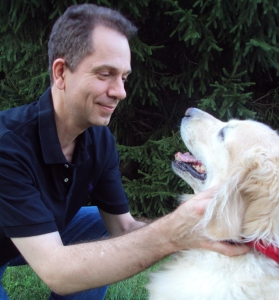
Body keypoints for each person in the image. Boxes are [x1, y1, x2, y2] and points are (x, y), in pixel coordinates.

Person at [0, 4, 249, 300]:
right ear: (60, 73)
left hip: (34, 236)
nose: (120, 91)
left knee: (96, 223)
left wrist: (200, 232)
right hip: (18, 244)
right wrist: (170, 233)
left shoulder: (99, 141)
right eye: (105, 74)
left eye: (124, 77)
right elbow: (56, 270)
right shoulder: (8, 145)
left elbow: (123, 227)